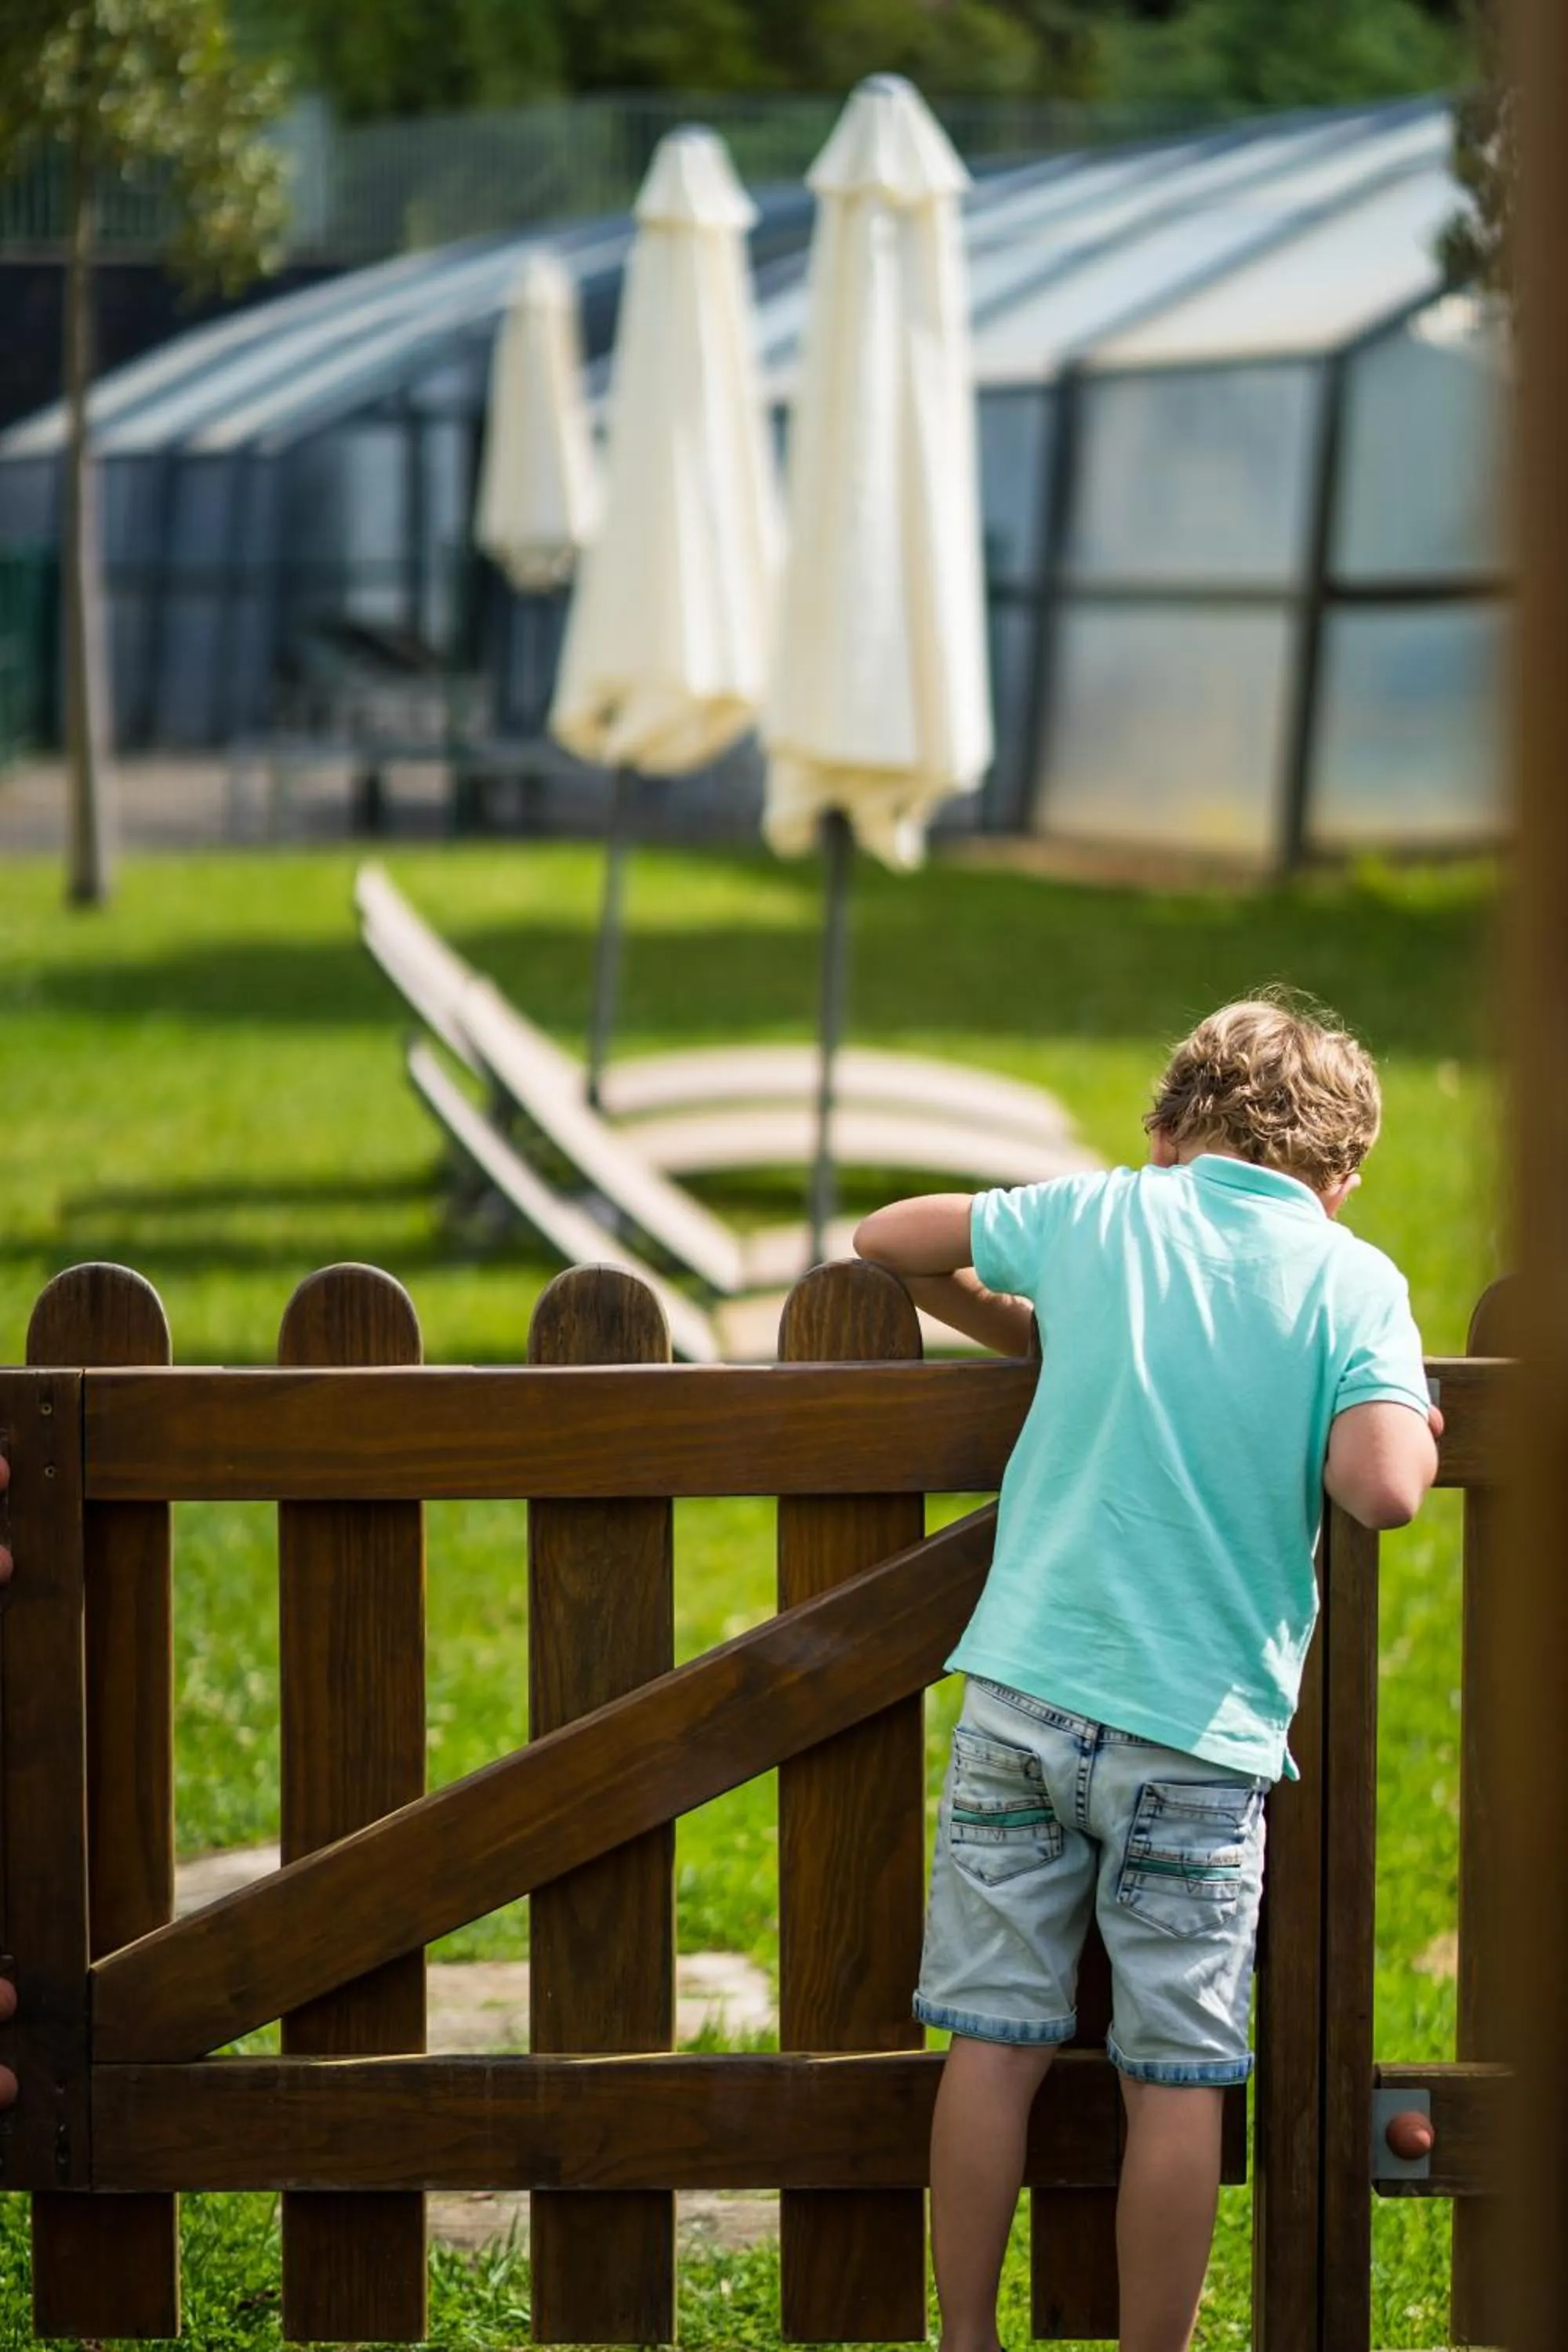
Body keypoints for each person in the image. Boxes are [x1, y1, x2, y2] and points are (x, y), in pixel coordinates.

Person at [853, 995, 1441, 2352]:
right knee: (1173, 2077)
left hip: (1021, 1701)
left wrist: (1029, 1329)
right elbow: (1384, 1487)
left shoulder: (1105, 1212)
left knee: (991, 2049)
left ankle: (965, 2339)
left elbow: (890, 1241)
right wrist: (1402, 1408)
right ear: (1342, 1180)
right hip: (1198, 1739)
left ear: (1172, 1131)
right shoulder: (1353, 1279)